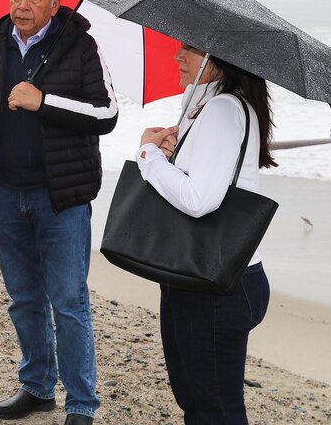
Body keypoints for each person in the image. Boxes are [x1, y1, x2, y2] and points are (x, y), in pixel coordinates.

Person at [0, 0, 118, 425]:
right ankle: (37, 387)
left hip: (60, 198)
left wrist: (43, 101)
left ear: (56, 1)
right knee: (24, 297)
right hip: (2, 194)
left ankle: (82, 405)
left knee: (69, 302)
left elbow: (106, 114)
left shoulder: (82, 44)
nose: (21, 5)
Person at [136, 44, 274, 424]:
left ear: (216, 59)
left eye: (190, 50)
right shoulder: (211, 107)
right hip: (202, 276)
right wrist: (170, 156)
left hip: (216, 284)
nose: (178, 57)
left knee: (215, 411)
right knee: (196, 399)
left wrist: (147, 157)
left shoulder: (223, 109)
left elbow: (200, 200)